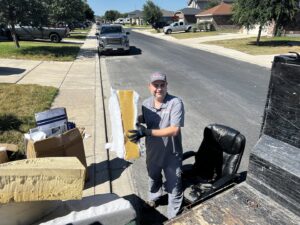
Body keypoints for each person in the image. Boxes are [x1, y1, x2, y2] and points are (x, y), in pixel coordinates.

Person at [128, 72, 185, 219]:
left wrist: (146, 132)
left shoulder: (175, 103)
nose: (159, 88)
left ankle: (174, 217)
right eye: (155, 85)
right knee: (153, 177)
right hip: (153, 152)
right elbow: (145, 118)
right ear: (149, 87)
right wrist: (131, 118)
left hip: (171, 154)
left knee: (174, 186)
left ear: (166, 86)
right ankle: (154, 198)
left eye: (162, 85)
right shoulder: (146, 103)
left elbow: (174, 130)